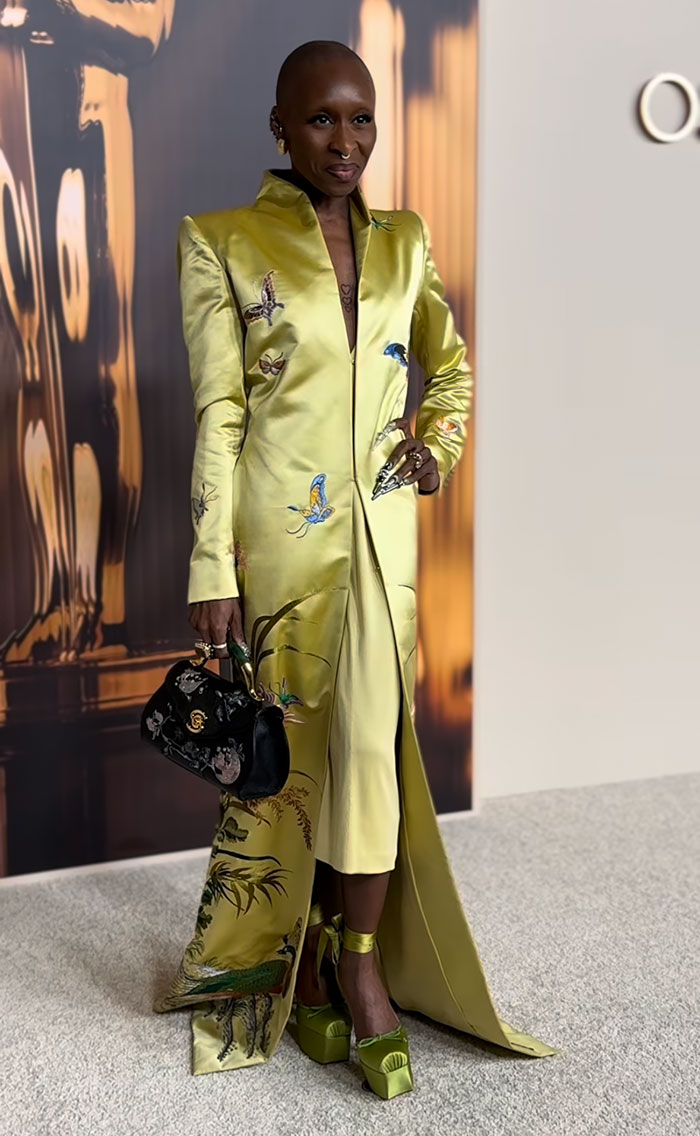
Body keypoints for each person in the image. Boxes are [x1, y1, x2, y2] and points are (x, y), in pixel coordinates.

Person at [154, 39, 556, 1099]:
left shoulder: (406, 243)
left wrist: (439, 440)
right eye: (325, 119)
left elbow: (451, 361)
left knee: (371, 752)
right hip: (279, 543)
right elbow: (218, 410)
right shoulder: (220, 242)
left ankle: (360, 965)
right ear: (280, 125)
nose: (348, 141)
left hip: (384, 539)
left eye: (363, 120)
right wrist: (210, 560)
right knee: (286, 770)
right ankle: (296, 962)